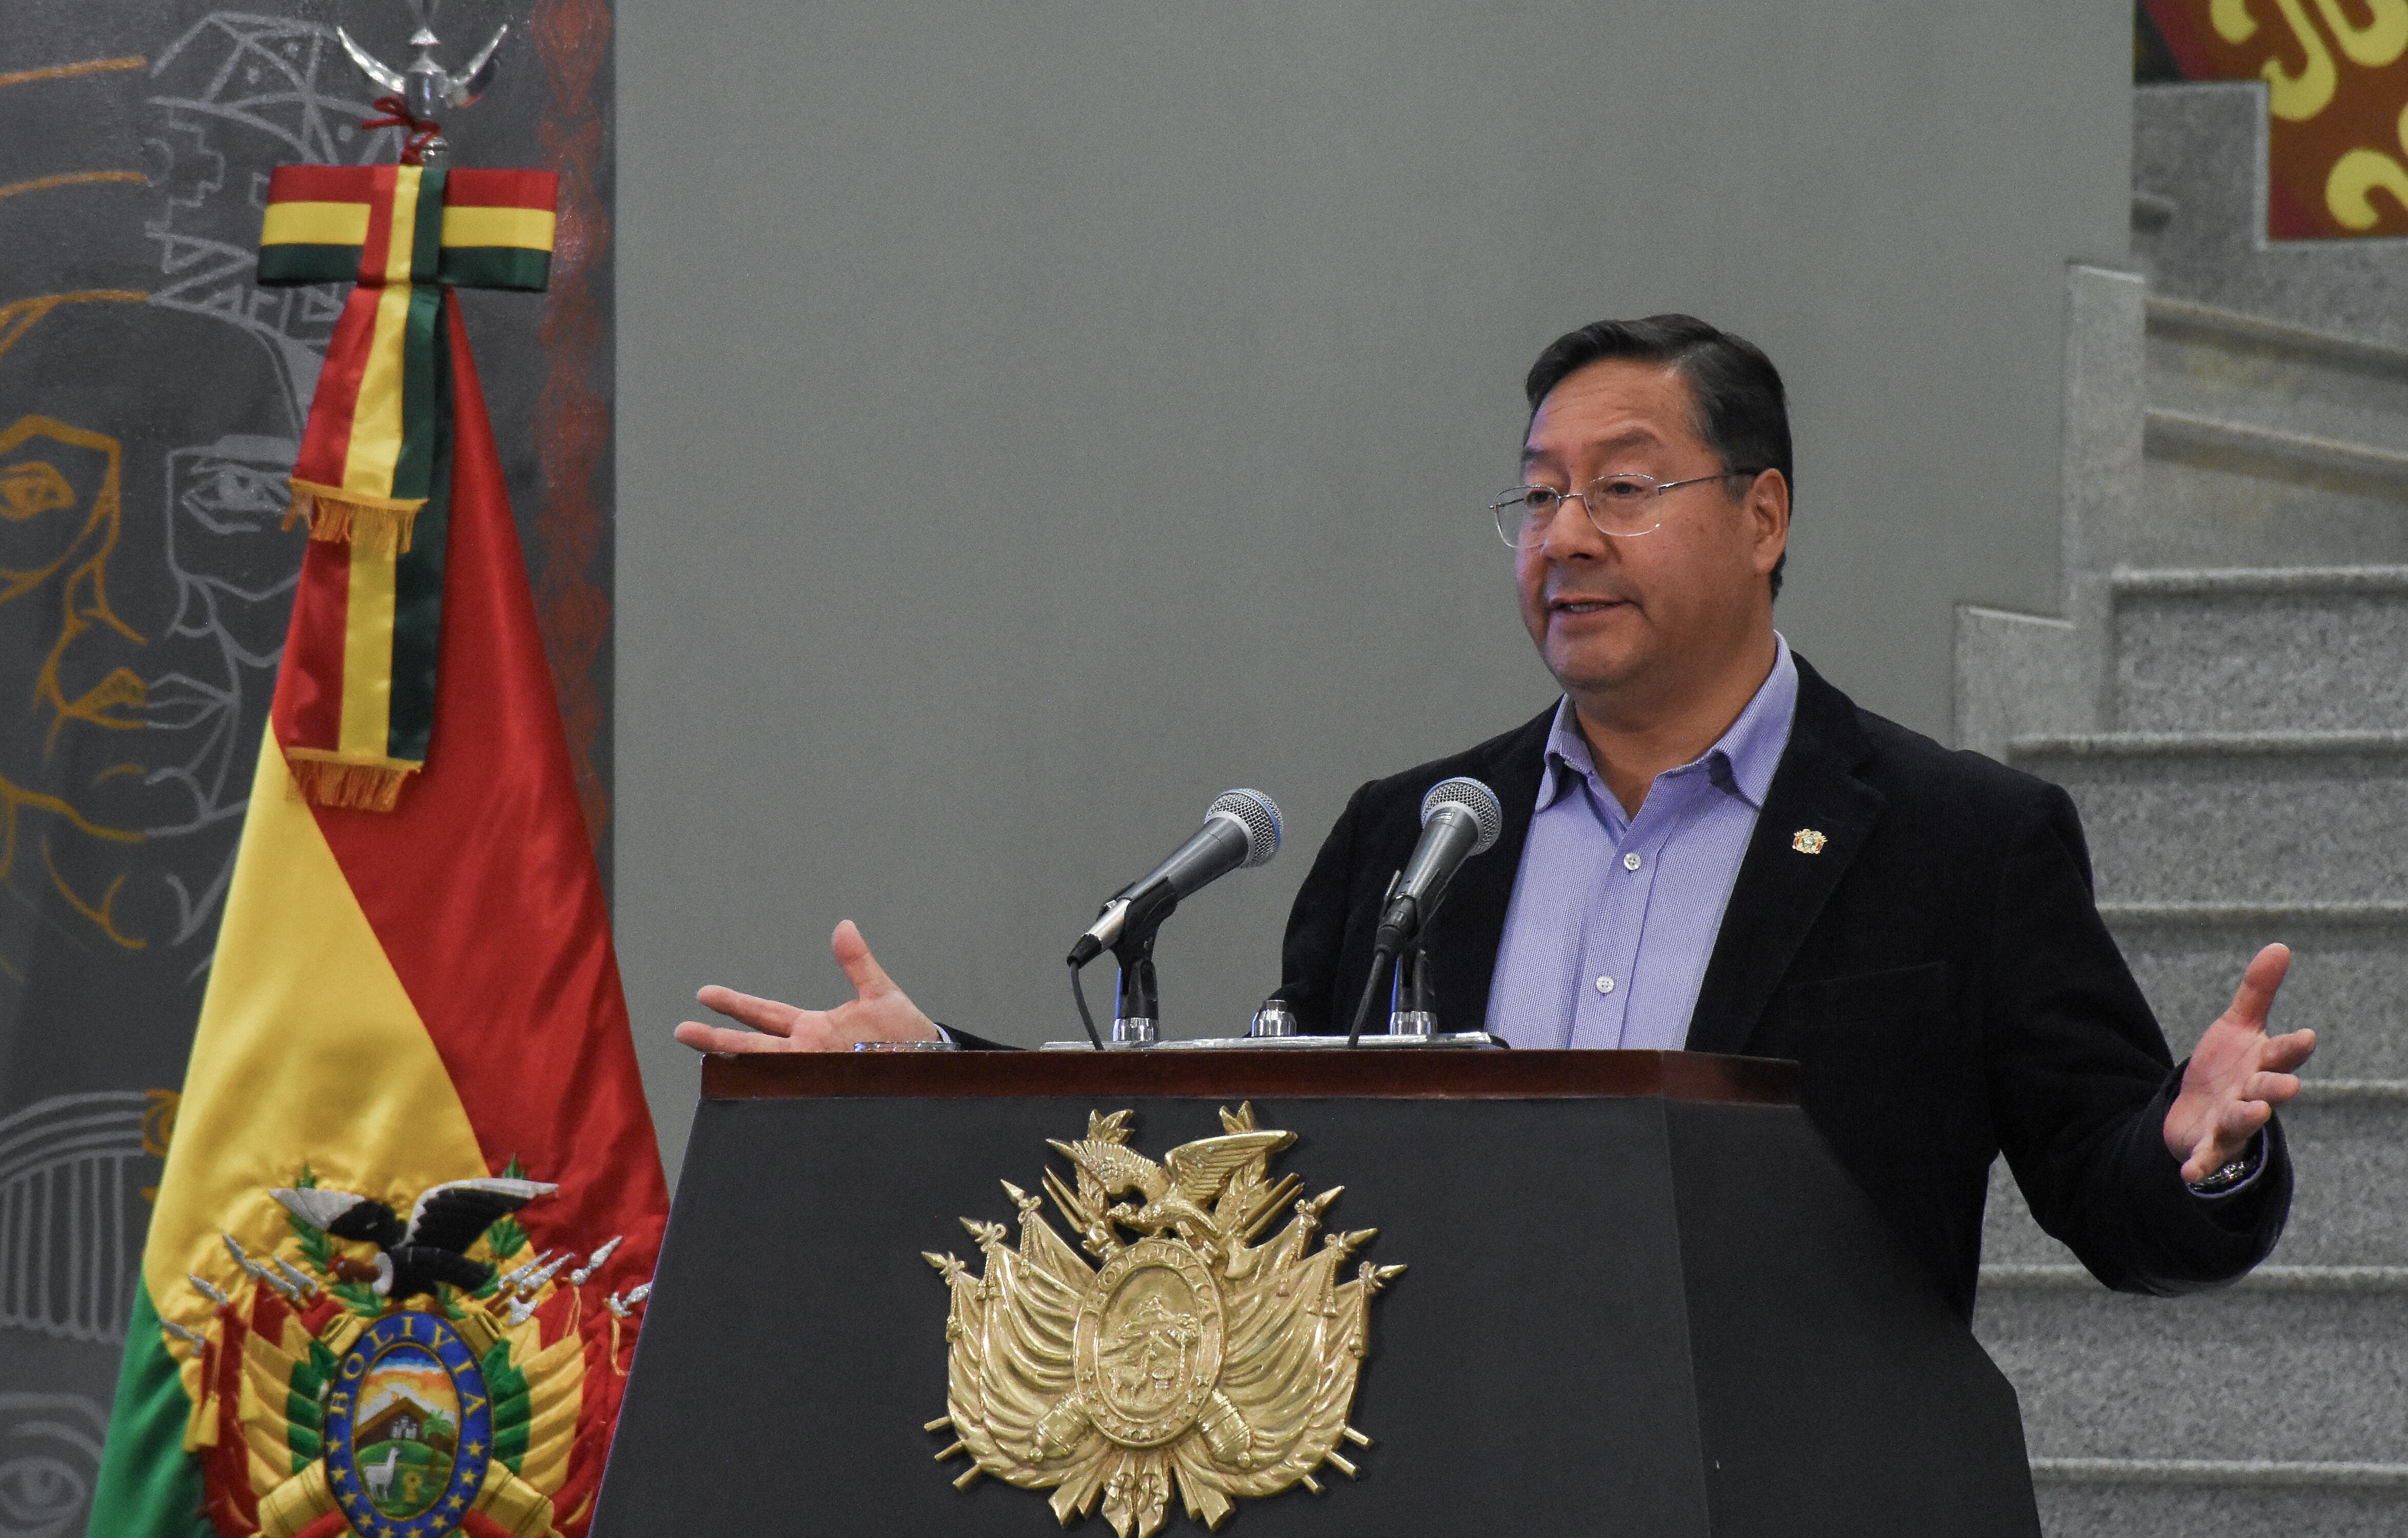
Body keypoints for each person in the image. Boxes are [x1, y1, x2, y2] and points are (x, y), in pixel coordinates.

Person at [677, 314, 2308, 1318]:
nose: (1563, 535)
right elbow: (1215, 1166)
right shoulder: (1417, 835)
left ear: (1763, 515)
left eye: (1621, 485)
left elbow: (2119, 1204)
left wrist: (2197, 1154)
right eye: (1534, 496)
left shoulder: (1961, 841)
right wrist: (933, 1083)